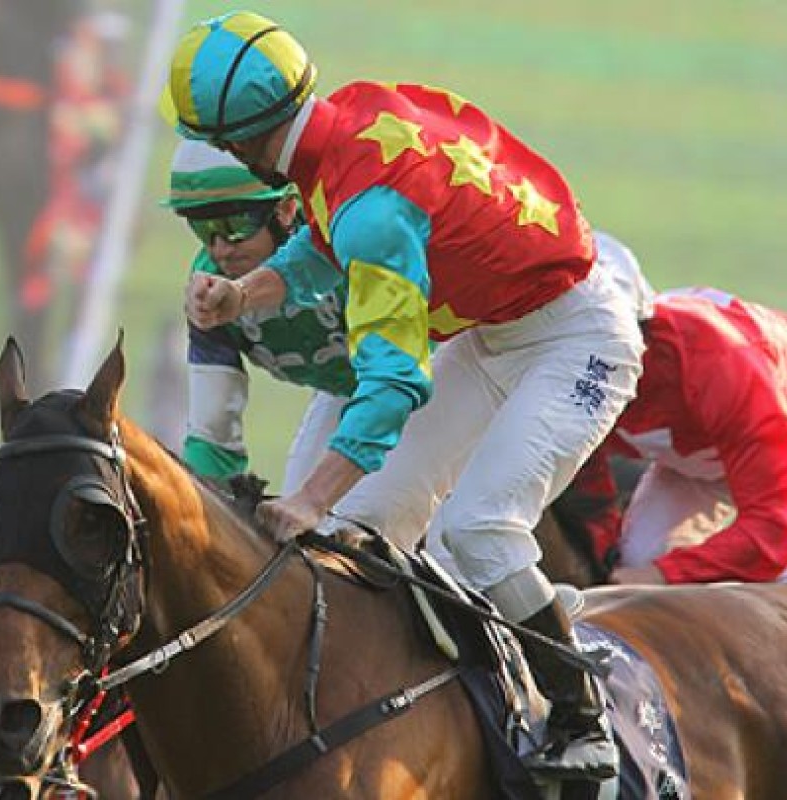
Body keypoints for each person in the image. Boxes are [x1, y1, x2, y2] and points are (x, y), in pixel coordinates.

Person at [169, 11, 652, 781]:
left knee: (478, 529)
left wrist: (309, 498)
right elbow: (329, 233)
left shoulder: (368, 211)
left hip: (576, 337)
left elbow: (393, 382)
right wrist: (248, 294)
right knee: (357, 529)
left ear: (239, 143)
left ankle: (579, 714)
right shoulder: (354, 115)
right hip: (497, 328)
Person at [168, 139, 398, 532]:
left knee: (372, 521)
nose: (220, 249)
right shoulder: (208, 291)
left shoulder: (342, 244)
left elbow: (398, 378)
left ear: (286, 209)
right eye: (203, 228)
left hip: (420, 373)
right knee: (296, 535)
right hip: (354, 392)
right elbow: (213, 437)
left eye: (235, 226)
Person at [556, 283, 787, 586]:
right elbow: (588, 483)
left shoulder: (718, 364)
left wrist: (664, 574)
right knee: (637, 561)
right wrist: (607, 560)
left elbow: (776, 527)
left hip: (768, 447)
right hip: (699, 461)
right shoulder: (567, 375)